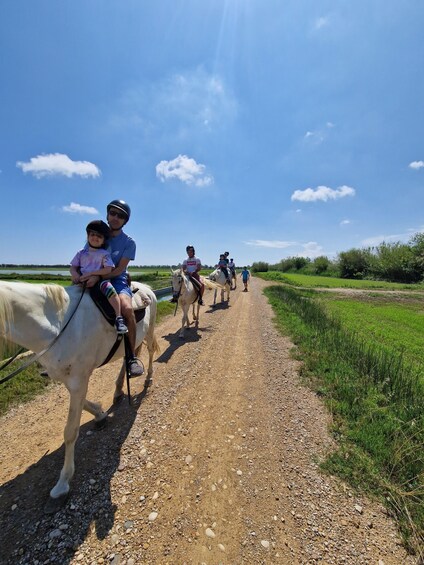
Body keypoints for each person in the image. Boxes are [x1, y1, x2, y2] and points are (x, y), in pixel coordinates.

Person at [83, 200, 144, 376]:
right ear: (108, 215)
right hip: (91, 277)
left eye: (121, 216)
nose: (116, 218)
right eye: (113, 213)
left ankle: (131, 357)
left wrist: (97, 276)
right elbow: (86, 256)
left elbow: (119, 269)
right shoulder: (98, 235)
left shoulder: (129, 242)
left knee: (127, 309)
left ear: (125, 221)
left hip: (116, 281)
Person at [70, 220, 128, 334]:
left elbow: (108, 269)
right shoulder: (81, 253)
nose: (95, 238)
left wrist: (92, 274)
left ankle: (118, 317)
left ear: (103, 240)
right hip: (82, 281)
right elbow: (73, 267)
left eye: (99, 236)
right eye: (92, 234)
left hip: (100, 281)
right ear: (88, 236)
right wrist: (76, 276)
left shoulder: (104, 254)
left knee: (110, 289)